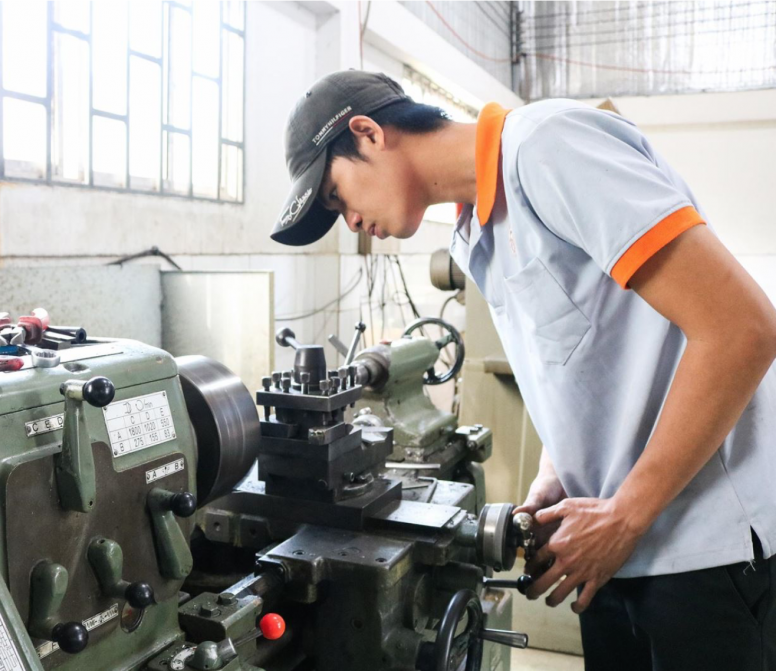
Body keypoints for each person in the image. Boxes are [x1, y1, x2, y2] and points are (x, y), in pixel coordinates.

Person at [268, 70, 776, 670]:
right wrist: (555, 477)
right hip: (611, 553)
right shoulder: (473, 232)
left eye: (336, 196)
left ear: (369, 133)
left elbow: (741, 329)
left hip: (704, 554)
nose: (350, 222)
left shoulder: (548, 149)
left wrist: (626, 513)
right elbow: (577, 362)